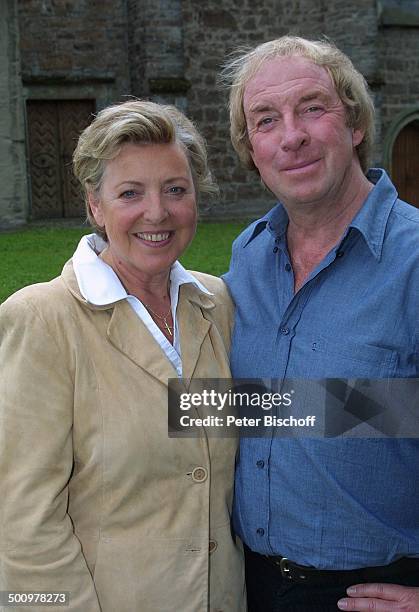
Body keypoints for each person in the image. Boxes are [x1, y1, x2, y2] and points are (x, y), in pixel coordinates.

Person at [0, 100, 245, 612]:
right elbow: (22, 521)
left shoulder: (213, 303)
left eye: (175, 190)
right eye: (130, 193)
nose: (157, 212)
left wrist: (388, 409)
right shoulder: (43, 319)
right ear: (95, 206)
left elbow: (269, 421)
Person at [221, 36, 419, 611]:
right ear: (251, 148)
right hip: (250, 584)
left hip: (372, 592)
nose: (292, 136)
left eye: (312, 107)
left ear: (355, 125)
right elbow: (258, 406)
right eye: (266, 120)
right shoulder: (248, 259)